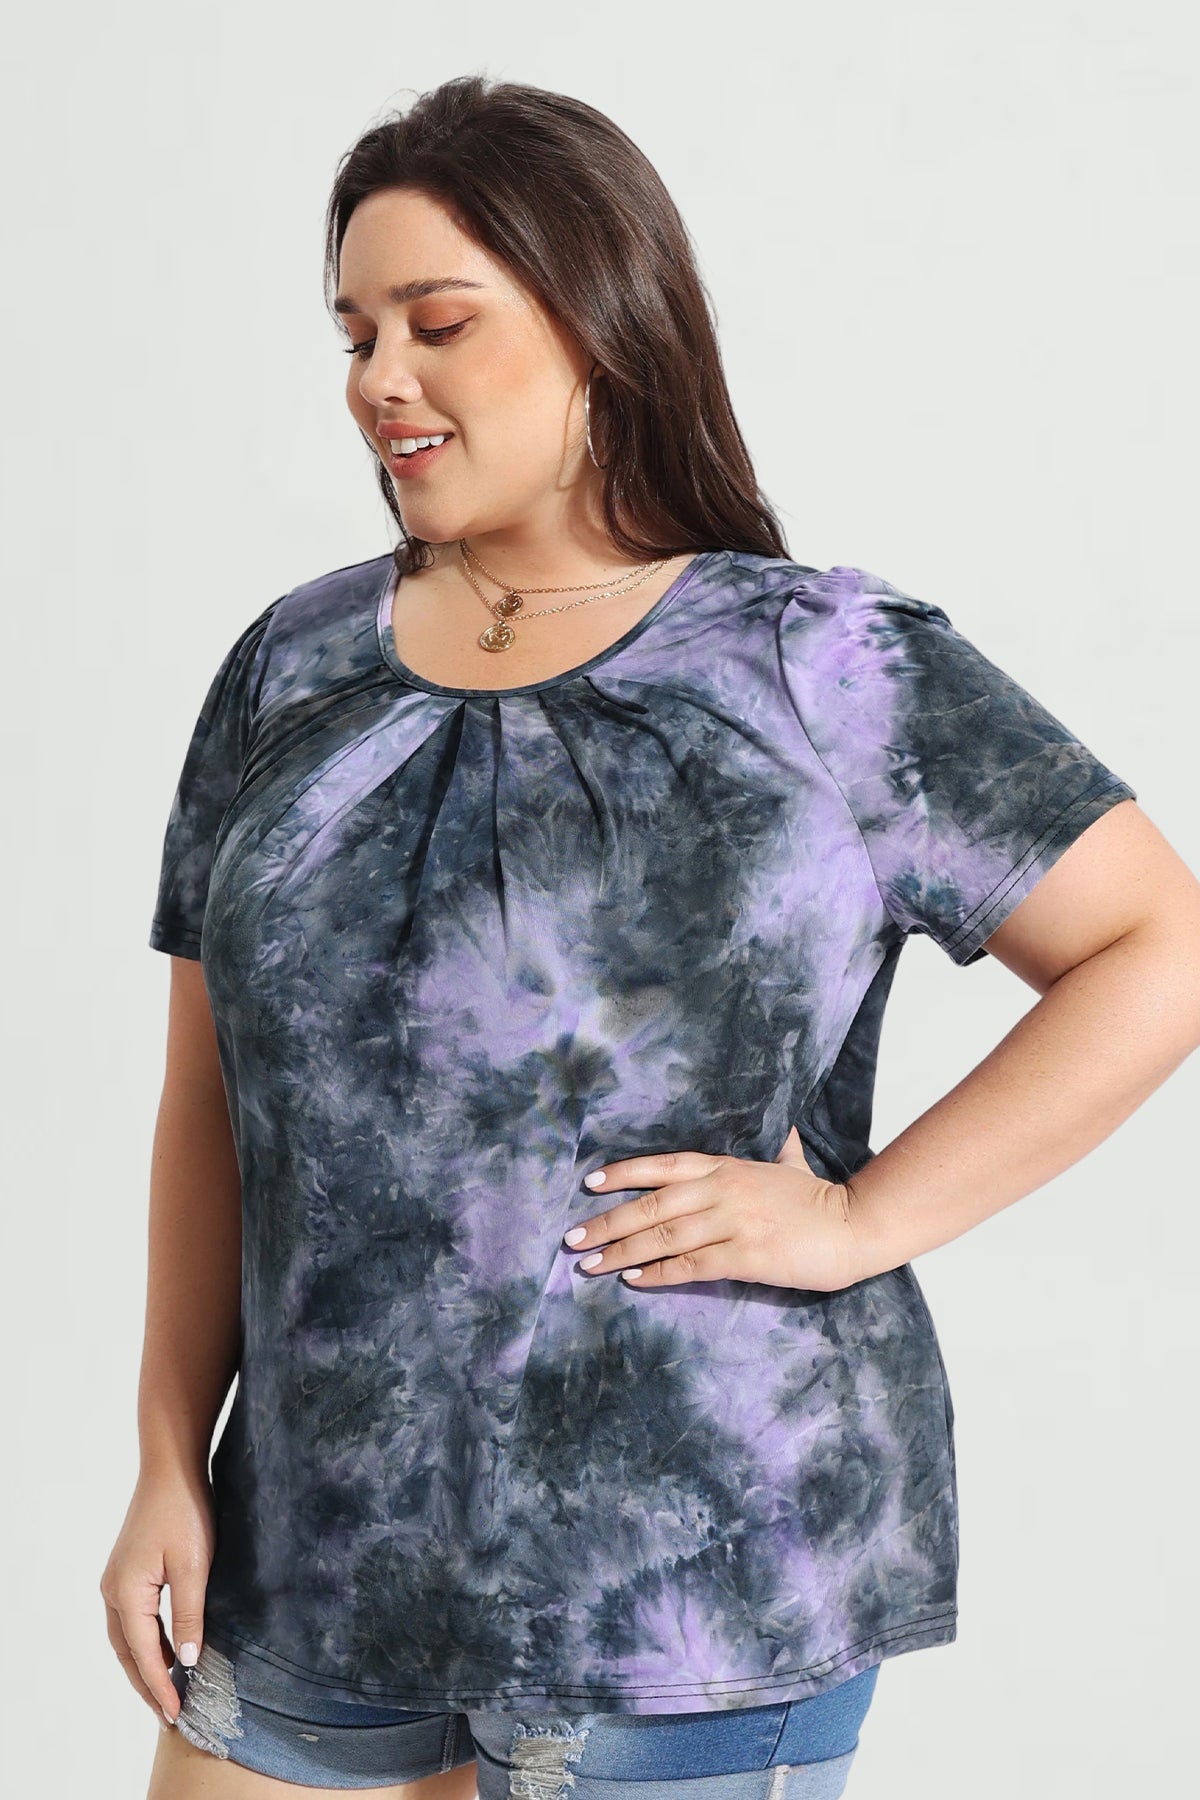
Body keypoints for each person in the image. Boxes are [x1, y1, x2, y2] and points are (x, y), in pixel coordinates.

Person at [100, 75, 1200, 1800]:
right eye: (357, 334)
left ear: (600, 326)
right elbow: (210, 1104)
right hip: (312, 1568)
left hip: (692, 1587)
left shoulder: (817, 663)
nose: (380, 378)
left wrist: (863, 1217)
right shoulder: (289, 667)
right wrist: (168, 1454)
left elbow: (1157, 943)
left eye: (439, 324)